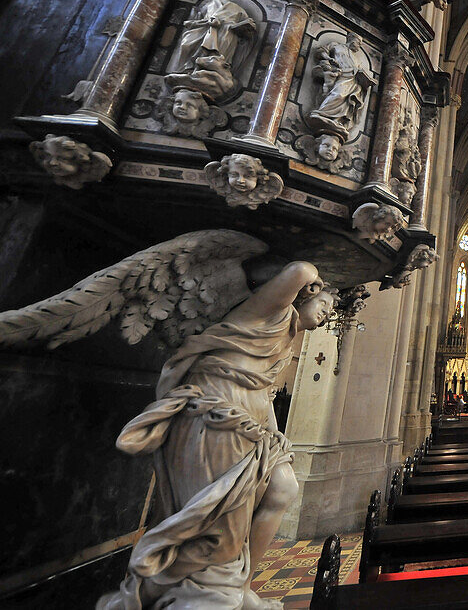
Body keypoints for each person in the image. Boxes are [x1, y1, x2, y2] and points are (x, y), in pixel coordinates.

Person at [99, 261, 335, 609]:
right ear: (304, 296)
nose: (329, 315)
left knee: (282, 488)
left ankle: (238, 584)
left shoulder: (287, 335)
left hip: (248, 415)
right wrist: (316, 274)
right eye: (327, 304)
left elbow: (262, 389)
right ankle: (203, 589)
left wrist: (274, 432)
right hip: (215, 412)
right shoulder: (267, 311)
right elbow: (300, 269)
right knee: (216, 521)